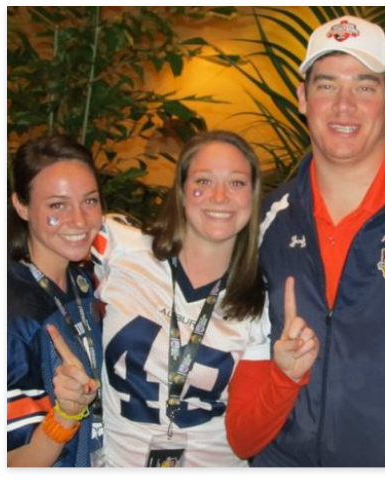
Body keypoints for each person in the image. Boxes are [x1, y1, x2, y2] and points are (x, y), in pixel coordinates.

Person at [227, 17, 385, 467]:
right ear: (302, 98)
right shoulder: (263, 223)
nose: (343, 106)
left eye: (365, 86)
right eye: (326, 85)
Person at [92, 131, 318, 467]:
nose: (220, 196)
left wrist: (285, 378)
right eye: (203, 180)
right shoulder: (118, 248)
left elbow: (244, 442)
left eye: (237, 183)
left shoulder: (258, 301)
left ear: (253, 197)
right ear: (181, 191)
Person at [7, 135, 104, 468]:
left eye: (89, 201)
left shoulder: (85, 280)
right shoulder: (16, 314)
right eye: (57, 205)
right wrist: (66, 414)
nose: (79, 220)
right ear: (21, 205)